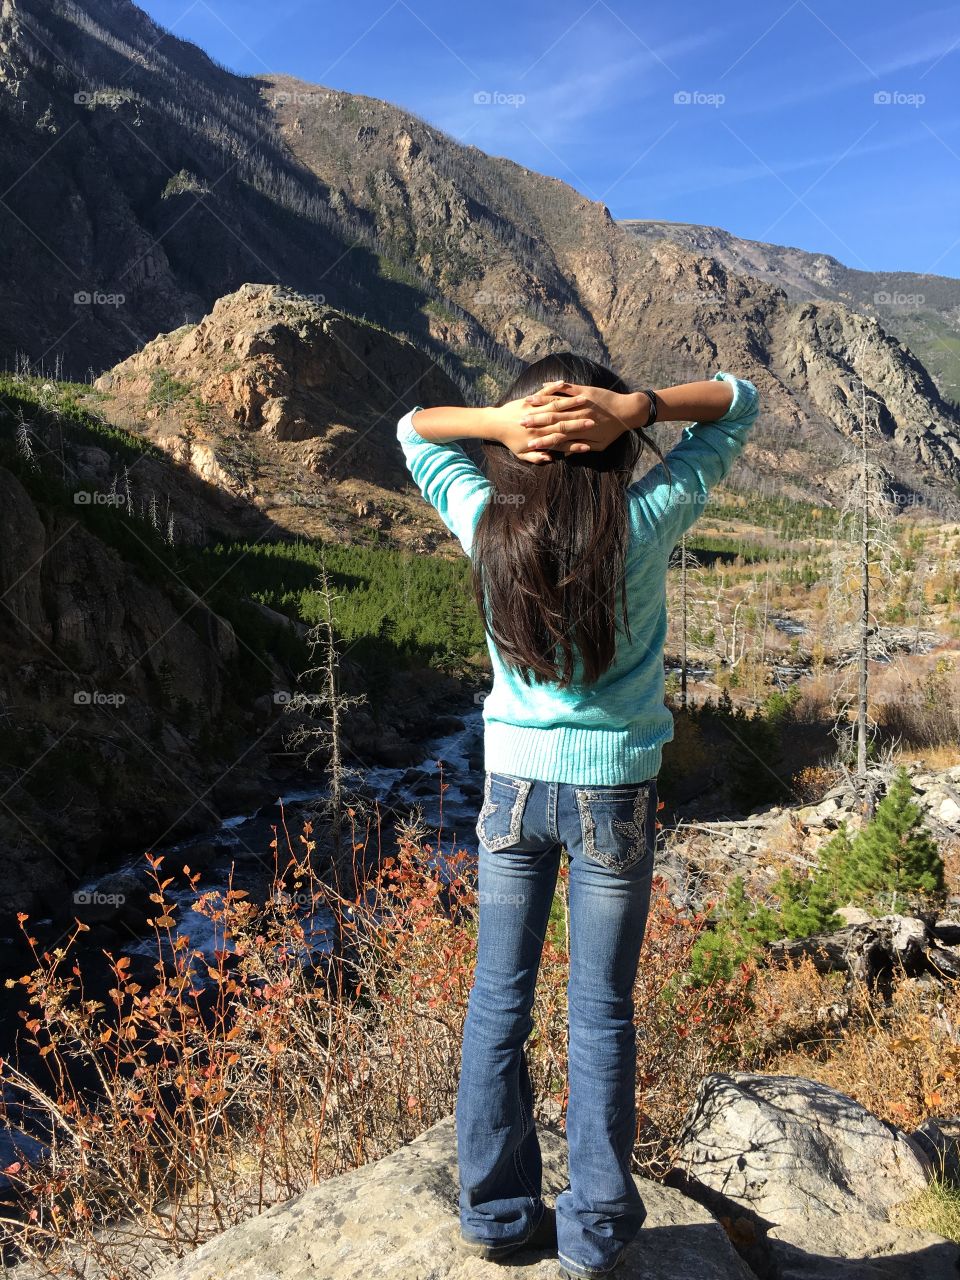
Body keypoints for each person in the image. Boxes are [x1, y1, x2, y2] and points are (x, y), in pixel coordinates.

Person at [395, 353, 760, 1280]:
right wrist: (639, 406)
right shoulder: (645, 520)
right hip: (614, 795)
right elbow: (736, 405)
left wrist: (497, 421)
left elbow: (413, 429)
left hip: (512, 793)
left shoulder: (484, 520)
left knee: (497, 1004)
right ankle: (593, 1235)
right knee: (600, 1015)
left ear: (514, 452)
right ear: (614, 447)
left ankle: (497, 1215)